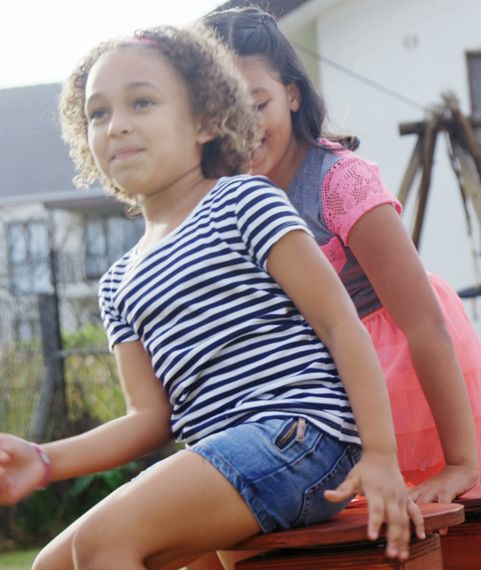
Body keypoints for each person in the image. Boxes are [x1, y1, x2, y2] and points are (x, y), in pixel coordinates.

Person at [0, 25, 423, 567]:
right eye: (99, 113)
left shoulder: (243, 201)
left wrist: (381, 453)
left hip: (301, 437)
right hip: (222, 456)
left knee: (103, 543)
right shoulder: (119, 281)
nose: (118, 124)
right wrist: (43, 458)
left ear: (204, 121)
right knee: (51, 564)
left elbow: (342, 326)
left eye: (142, 102)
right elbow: (148, 419)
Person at [201, 7, 481, 504]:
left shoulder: (340, 181)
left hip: (398, 363)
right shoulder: (226, 199)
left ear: (292, 95)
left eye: (256, 105)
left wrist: (461, 464)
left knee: (422, 520)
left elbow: (424, 322)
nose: (241, 130)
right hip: (318, 380)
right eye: (220, 116)